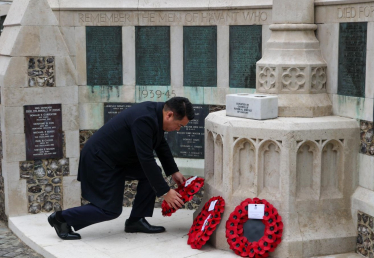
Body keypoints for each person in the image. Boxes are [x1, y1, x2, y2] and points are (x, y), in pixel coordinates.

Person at [48, 97, 195, 240]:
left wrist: (173, 171)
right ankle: (61, 218)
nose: (178, 129)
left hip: (118, 159)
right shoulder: (145, 119)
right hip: (100, 160)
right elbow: (145, 158)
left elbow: (160, 143)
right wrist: (165, 191)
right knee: (109, 210)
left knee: (153, 172)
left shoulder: (157, 114)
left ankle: (135, 221)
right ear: (170, 115)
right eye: (179, 125)